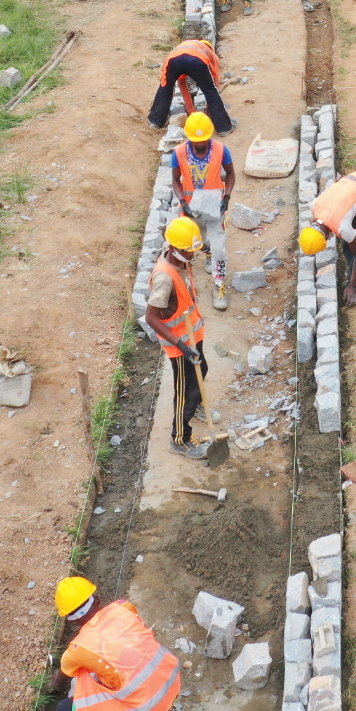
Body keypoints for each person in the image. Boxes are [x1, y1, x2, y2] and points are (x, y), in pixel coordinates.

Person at [45, 576, 183, 711]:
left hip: (149, 706)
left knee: (65, 706)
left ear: (69, 620)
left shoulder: (77, 649)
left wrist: (50, 687)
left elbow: (59, 682)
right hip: (172, 681)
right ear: (97, 600)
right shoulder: (123, 606)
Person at [147, 218, 215, 457]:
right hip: (179, 345)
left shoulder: (178, 259)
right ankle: (180, 439)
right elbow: (151, 318)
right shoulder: (164, 278)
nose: (193, 255)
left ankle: (195, 406)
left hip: (193, 334)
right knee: (186, 391)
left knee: (202, 370)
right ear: (175, 248)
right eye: (189, 250)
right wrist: (181, 346)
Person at [170, 113, 235, 307]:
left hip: (215, 208)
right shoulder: (179, 153)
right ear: (189, 137)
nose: (200, 144)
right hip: (191, 209)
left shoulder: (221, 150)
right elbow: (175, 179)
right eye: (196, 140)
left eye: (204, 139)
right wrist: (182, 202)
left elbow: (230, 173)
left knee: (219, 248)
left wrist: (227, 197)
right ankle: (206, 251)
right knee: (195, 241)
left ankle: (220, 284)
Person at [306, 168, 356, 305]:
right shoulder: (315, 205)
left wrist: (350, 286)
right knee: (348, 240)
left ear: (324, 237)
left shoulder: (342, 226)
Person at [149, 34, 232, 133]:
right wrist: (210, 107)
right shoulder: (209, 51)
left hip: (172, 61)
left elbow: (182, 86)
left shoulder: (184, 46)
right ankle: (224, 128)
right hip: (196, 60)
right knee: (211, 90)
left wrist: (191, 111)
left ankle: (156, 121)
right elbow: (215, 80)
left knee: (165, 88)